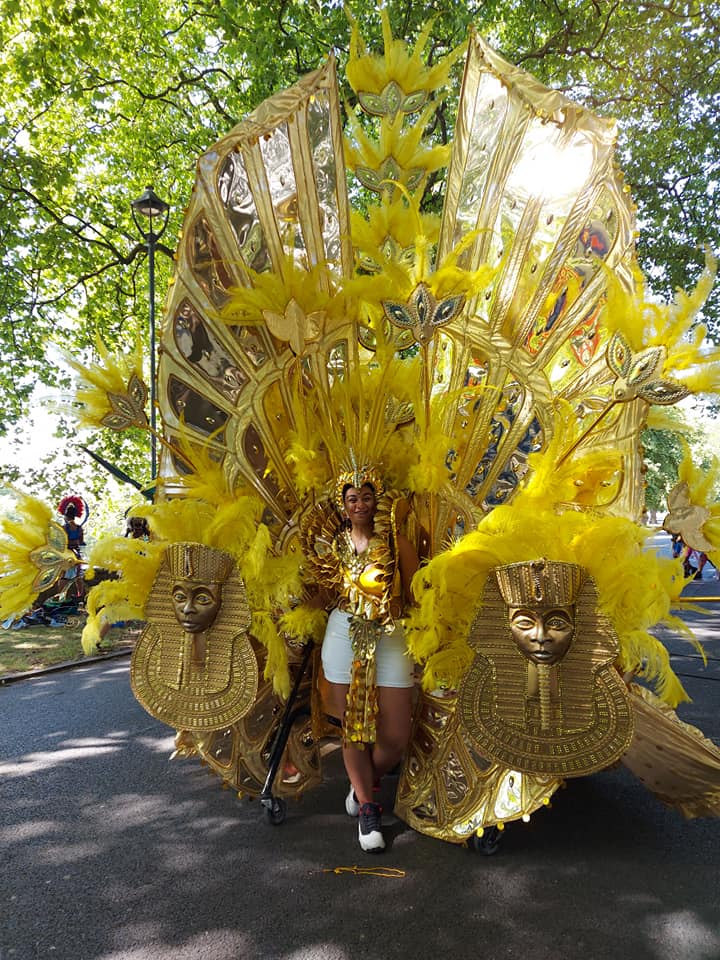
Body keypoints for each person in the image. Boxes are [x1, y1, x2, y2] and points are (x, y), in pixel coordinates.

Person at [301, 463, 419, 852]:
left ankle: (361, 785)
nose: (360, 505)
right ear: (344, 504)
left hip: (389, 637)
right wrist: (292, 610)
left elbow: (415, 594)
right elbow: (322, 592)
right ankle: (369, 809)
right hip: (343, 634)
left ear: (376, 500)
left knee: (395, 737)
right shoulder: (332, 546)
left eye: (366, 497)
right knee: (353, 726)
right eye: (353, 499)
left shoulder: (397, 543)